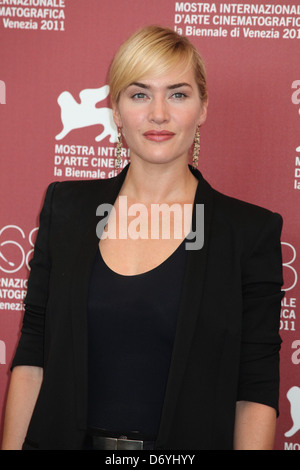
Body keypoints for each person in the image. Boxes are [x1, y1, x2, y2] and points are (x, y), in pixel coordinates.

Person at [2, 25, 284, 450]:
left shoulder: (247, 232)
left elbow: (255, 388)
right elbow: (33, 358)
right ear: (115, 110)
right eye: (138, 94)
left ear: (203, 107)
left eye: (177, 93)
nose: (158, 114)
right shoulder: (68, 208)